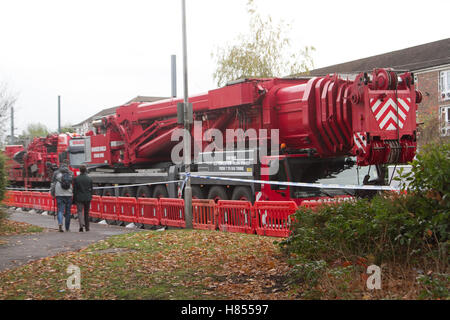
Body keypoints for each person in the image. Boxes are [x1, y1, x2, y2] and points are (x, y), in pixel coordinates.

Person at [50, 159, 74, 232]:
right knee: (68, 212)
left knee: (60, 210)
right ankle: (67, 228)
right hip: (69, 194)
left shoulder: (56, 173)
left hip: (59, 194)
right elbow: (72, 183)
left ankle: (60, 223)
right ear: (67, 166)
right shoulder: (71, 173)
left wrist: (52, 193)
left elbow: (53, 184)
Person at [73, 165, 93, 232]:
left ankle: (81, 226)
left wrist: (74, 198)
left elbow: (75, 190)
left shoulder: (76, 179)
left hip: (79, 197)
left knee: (80, 211)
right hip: (87, 197)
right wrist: (90, 196)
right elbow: (91, 189)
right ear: (86, 170)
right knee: (86, 212)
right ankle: (87, 227)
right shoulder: (89, 179)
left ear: (80, 170)